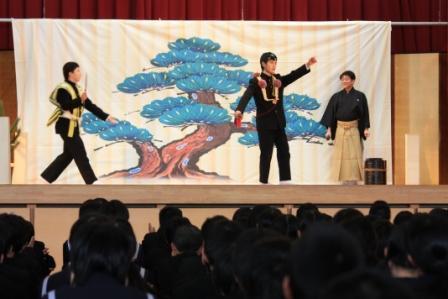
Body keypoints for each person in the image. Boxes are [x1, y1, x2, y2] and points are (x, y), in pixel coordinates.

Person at [235, 52, 317, 184]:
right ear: (263, 64)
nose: (274, 65)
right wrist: (239, 109)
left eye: (275, 62)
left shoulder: (277, 80)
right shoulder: (256, 82)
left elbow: (292, 75)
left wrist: (307, 65)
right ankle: (263, 182)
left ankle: (285, 181)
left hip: (279, 123)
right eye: (271, 62)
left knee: (284, 152)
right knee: (266, 154)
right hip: (265, 124)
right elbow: (246, 95)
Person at [41, 62, 117, 184]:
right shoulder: (63, 88)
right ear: (70, 73)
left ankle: (46, 178)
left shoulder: (79, 89)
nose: (79, 73)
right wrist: (79, 100)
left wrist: (106, 116)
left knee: (68, 155)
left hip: (73, 126)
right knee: (80, 154)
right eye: (77, 71)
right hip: (65, 125)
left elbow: (90, 106)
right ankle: (91, 182)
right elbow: (65, 105)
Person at [320, 70, 370, 184]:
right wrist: (329, 130)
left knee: (355, 153)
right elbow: (330, 114)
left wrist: (366, 129)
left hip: (354, 128)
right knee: (340, 155)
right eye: (343, 79)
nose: (344, 81)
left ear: (353, 81)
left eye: (347, 79)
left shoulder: (360, 96)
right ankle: (343, 180)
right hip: (340, 129)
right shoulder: (336, 97)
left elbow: (365, 113)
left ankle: (354, 180)